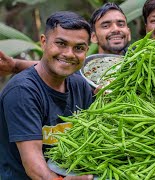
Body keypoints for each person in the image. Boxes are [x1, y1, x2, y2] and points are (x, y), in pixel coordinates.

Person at [0, 11, 94, 180]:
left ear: (86, 50)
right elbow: (36, 171)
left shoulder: (81, 86)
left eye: (79, 48)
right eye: (61, 44)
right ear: (44, 42)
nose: (69, 54)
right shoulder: (22, 92)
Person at [0, 2, 131, 76]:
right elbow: (55, 66)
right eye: (106, 25)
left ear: (129, 32)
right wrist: (15, 66)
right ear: (94, 37)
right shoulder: (85, 70)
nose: (115, 29)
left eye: (121, 24)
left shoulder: (140, 60)